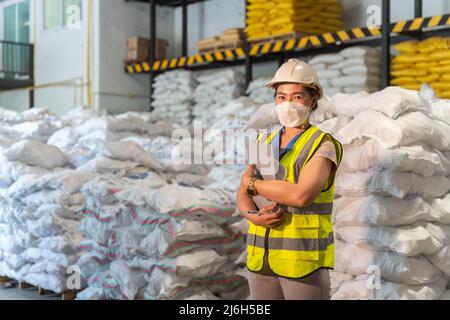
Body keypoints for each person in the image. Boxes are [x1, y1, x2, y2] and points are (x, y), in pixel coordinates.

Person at [237, 58, 343, 300]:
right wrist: (252, 215)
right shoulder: (263, 141)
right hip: (260, 255)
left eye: (297, 97)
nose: (287, 104)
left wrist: (253, 184)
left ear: (313, 100)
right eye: (281, 97)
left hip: (300, 260)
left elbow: (301, 195)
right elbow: (241, 192)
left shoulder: (322, 144)